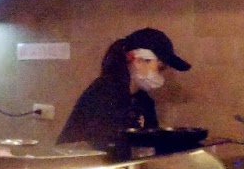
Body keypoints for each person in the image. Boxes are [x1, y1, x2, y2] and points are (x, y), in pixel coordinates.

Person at [56, 27, 191, 151]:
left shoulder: (143, 101)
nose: (162, 75)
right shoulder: (105, 92)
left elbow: (151, 142)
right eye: (161, 68)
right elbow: (101, 144)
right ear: (138, 61)